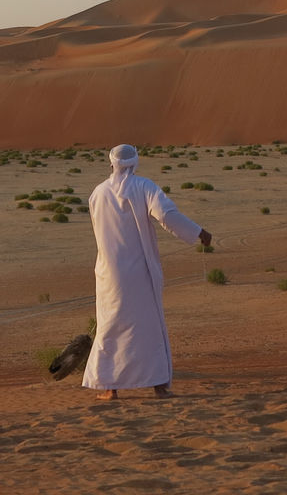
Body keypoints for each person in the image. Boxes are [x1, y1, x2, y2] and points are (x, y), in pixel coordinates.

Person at [82, 143, 213, 401]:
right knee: (149, 327)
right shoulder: (143, 187)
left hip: (109, 274)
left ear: (112, 164)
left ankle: (110, 387)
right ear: (134, 163)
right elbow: (166, 214)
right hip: (139, 271)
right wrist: (198, 232)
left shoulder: (97, 193)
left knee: (110, 326)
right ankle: (159, 386)